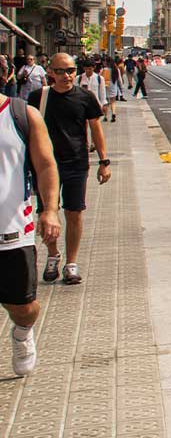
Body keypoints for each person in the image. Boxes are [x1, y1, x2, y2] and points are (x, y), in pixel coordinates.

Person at [0, 90, 62, 377]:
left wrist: (49, 210)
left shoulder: (22, 115)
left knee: (24, 308)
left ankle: (23, 332)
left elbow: (46, 165)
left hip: (11, 231)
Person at [35, 53, 110, 286]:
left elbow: (96, 128)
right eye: (60, 71)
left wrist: (104, 162)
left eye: (70, 71)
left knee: (74, 212)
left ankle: (71, 263)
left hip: (76, 163)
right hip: (45, 166)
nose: (66, 76)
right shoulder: (38, 97)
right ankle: (52, 255)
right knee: (47, 212)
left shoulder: (85, 97)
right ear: (50, 72)